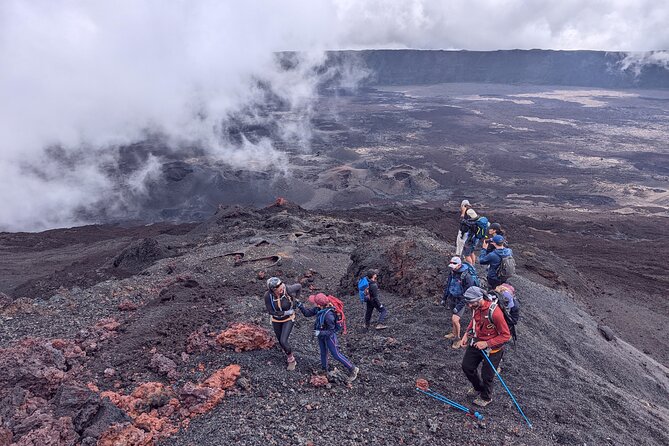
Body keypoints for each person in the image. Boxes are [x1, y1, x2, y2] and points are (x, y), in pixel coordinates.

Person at [459, 286, 511, 407]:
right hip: (477, 342)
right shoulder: (475, 307)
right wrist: (466, 334)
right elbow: (474, 320)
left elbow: (506, 335)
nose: (469, 306)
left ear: (479, 299)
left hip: (493, 348)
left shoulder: (495, 313)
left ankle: (486, 397)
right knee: (467, 366)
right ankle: (478, 387)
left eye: (471, 303)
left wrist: (486, 343)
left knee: (487, 375)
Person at [298, 293, 359, 382]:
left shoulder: (328, 315)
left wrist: (319, 333)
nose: (313, 303)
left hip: (329, 337)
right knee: (323, 352)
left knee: (336, 354)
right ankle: (324, 369)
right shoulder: (319, 309)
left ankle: (353, 369)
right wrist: (300, 306)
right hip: (321, 334)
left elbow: (332, 330)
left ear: (319, 304)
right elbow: (307, 313)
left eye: (314, 302)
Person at [264, 277, 301, 370]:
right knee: (280, 342)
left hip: (288, 318)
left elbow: (299, 286)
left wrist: (296, 300)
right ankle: (286, 349)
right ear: (272, 290)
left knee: (283, 341)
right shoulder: (268, 296)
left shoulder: (287, 289)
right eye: (278, 290)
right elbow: (270, 311)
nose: (281, 290)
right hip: (276, 319)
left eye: (282, 288)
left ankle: (291, 360)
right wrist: (283, 312)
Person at [442, 256, 479, 349]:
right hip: (452, 297)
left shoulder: (466, 276)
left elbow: (467, 294)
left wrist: (459, 307)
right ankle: (454, 333)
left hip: (461, 300)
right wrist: (444, 298)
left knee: (455, 319)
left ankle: (458, 339)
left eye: (454, 266)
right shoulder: (452, 273)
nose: (452, 268)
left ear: (459, 265)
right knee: (453, 318)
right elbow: (448, 285)